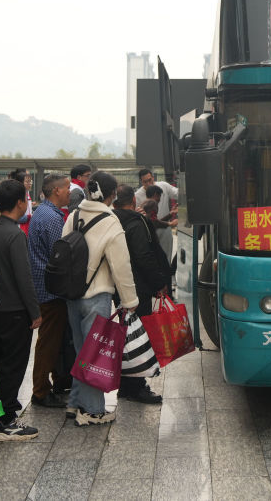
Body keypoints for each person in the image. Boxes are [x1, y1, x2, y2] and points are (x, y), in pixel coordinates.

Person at [64, 171, 138, 426]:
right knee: (93, 354)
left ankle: (75, 402)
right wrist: (130, 300)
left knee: (80, 350)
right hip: (97, 295)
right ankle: (92, 410)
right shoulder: (110, 221)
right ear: (112, 194)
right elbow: (121, 266)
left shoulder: (74, 216)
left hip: (72, 294)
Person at [0, 179, 42, 441]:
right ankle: (7, 421)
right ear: (20, 203)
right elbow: (24, 277)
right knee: (13, 365)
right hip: (16, 311)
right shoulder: (16, 235)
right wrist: (35, 312)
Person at [113, 184, 170, 405]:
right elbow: (144, 256)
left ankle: (125, 385)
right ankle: (136, 387)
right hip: (138, 289)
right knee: (138, 337)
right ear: (134, 201)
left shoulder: (112, 220)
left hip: (119, 287)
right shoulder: (136, 223)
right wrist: (159, 282)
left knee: (126, 336)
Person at [27, 174, 72, 409]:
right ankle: (41, 391)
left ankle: (52, 383)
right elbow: (59, 255)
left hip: (45, 287)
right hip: (51, 291)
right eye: (67, 188)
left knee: (51, 340)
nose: (70, 192)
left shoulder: (44, 212)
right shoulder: (52, 219)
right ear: (56, 190)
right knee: (48, 343)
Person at [134, 169, 178, 264]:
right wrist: (170, 223)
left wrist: (170, 214)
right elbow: (153, 222)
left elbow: (178, 193)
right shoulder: (138, 196)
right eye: (145, 182)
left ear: (153, 177)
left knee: (166, 258)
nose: (149, 183)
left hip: (164, 231)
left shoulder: (164, 186)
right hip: (149, 233)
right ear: (141, 182)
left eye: (150, 180)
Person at [9, 169, 33, 235]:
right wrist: (30, 216)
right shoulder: (17, 195)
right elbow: (16, 217)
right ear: (20, 183)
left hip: (27, 228)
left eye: (30, 181)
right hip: (20, 229)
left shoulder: (26, 193)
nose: (30, 184)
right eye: (27, 182)